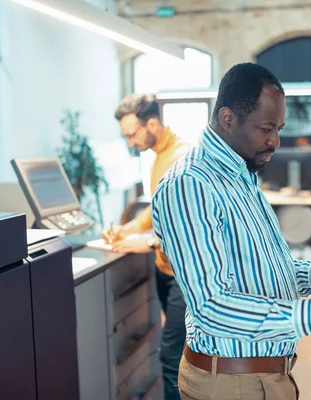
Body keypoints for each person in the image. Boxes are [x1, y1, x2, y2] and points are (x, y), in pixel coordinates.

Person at [151, 63, 311, 400]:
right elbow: (212, 307)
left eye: (279, 128)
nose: (276, 141)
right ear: (228, 118)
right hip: (231, 383)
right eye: (266, 128)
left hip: (267, 376)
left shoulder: (241, 174)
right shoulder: (190, 185)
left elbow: (269, 274)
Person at [103, 94, 191, 400]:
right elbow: (158, 209)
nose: (130, 143)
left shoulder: (182, 159)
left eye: (131, 135)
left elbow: (188, 225)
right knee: (181, 353)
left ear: (151, 123)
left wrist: (148, 241)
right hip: (165, 272)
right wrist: (127, 228)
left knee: (172, 358)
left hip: (185, 278)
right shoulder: (158, 157)